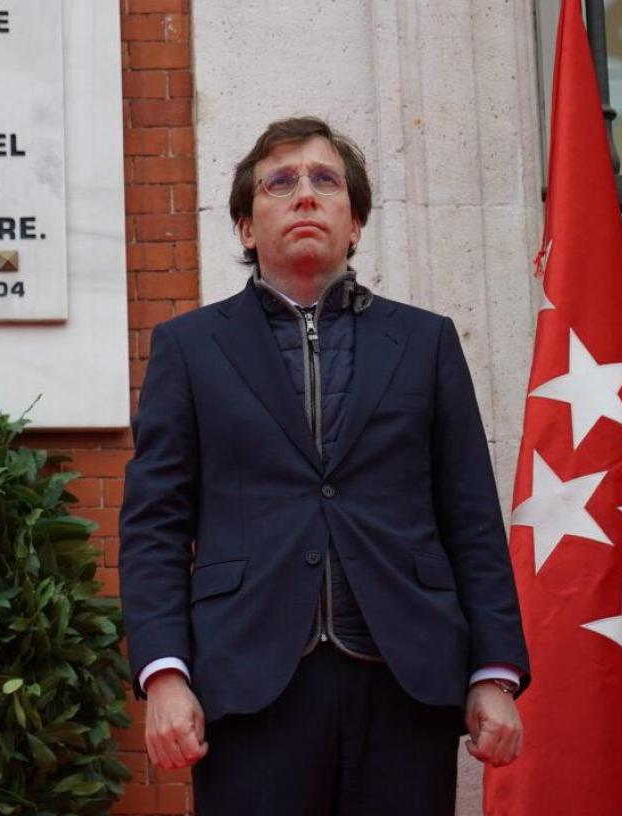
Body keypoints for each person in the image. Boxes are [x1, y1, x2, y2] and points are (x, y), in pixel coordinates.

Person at [120, 116, 529, 814]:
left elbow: (471, 517)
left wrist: (495, 671)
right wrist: (164, 675)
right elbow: (155, 525)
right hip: (249, 683)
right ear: (248, 228)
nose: (305, 195)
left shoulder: (425, 342)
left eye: (325, 180)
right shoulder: (188, 348)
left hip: (406, 678)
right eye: (281, 182)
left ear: (356, 222)